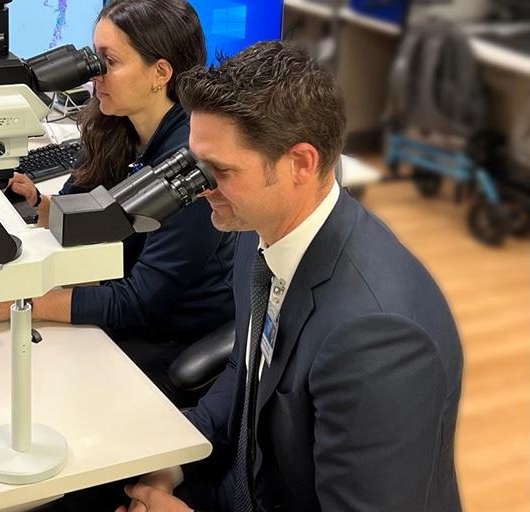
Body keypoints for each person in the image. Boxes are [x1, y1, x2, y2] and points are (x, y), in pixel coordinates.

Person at [119, 41, 464, 512]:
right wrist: (176, 457)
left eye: (219, 170)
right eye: (196, 165)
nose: (202, 191)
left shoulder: (378, 337)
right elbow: (246, 373)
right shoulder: (259, 229)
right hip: (241, 482)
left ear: (301, 163)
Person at [0, 0, 237, 405]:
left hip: (170, 340)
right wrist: (39, 206)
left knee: (41, 391)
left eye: (108, 62)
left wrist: (14, 301)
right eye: (92, 59)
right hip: (113, 308)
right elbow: (80, 213)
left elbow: (139, 301)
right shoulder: (114, 126)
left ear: (160, 73)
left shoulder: (191, 163)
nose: (95, 76)